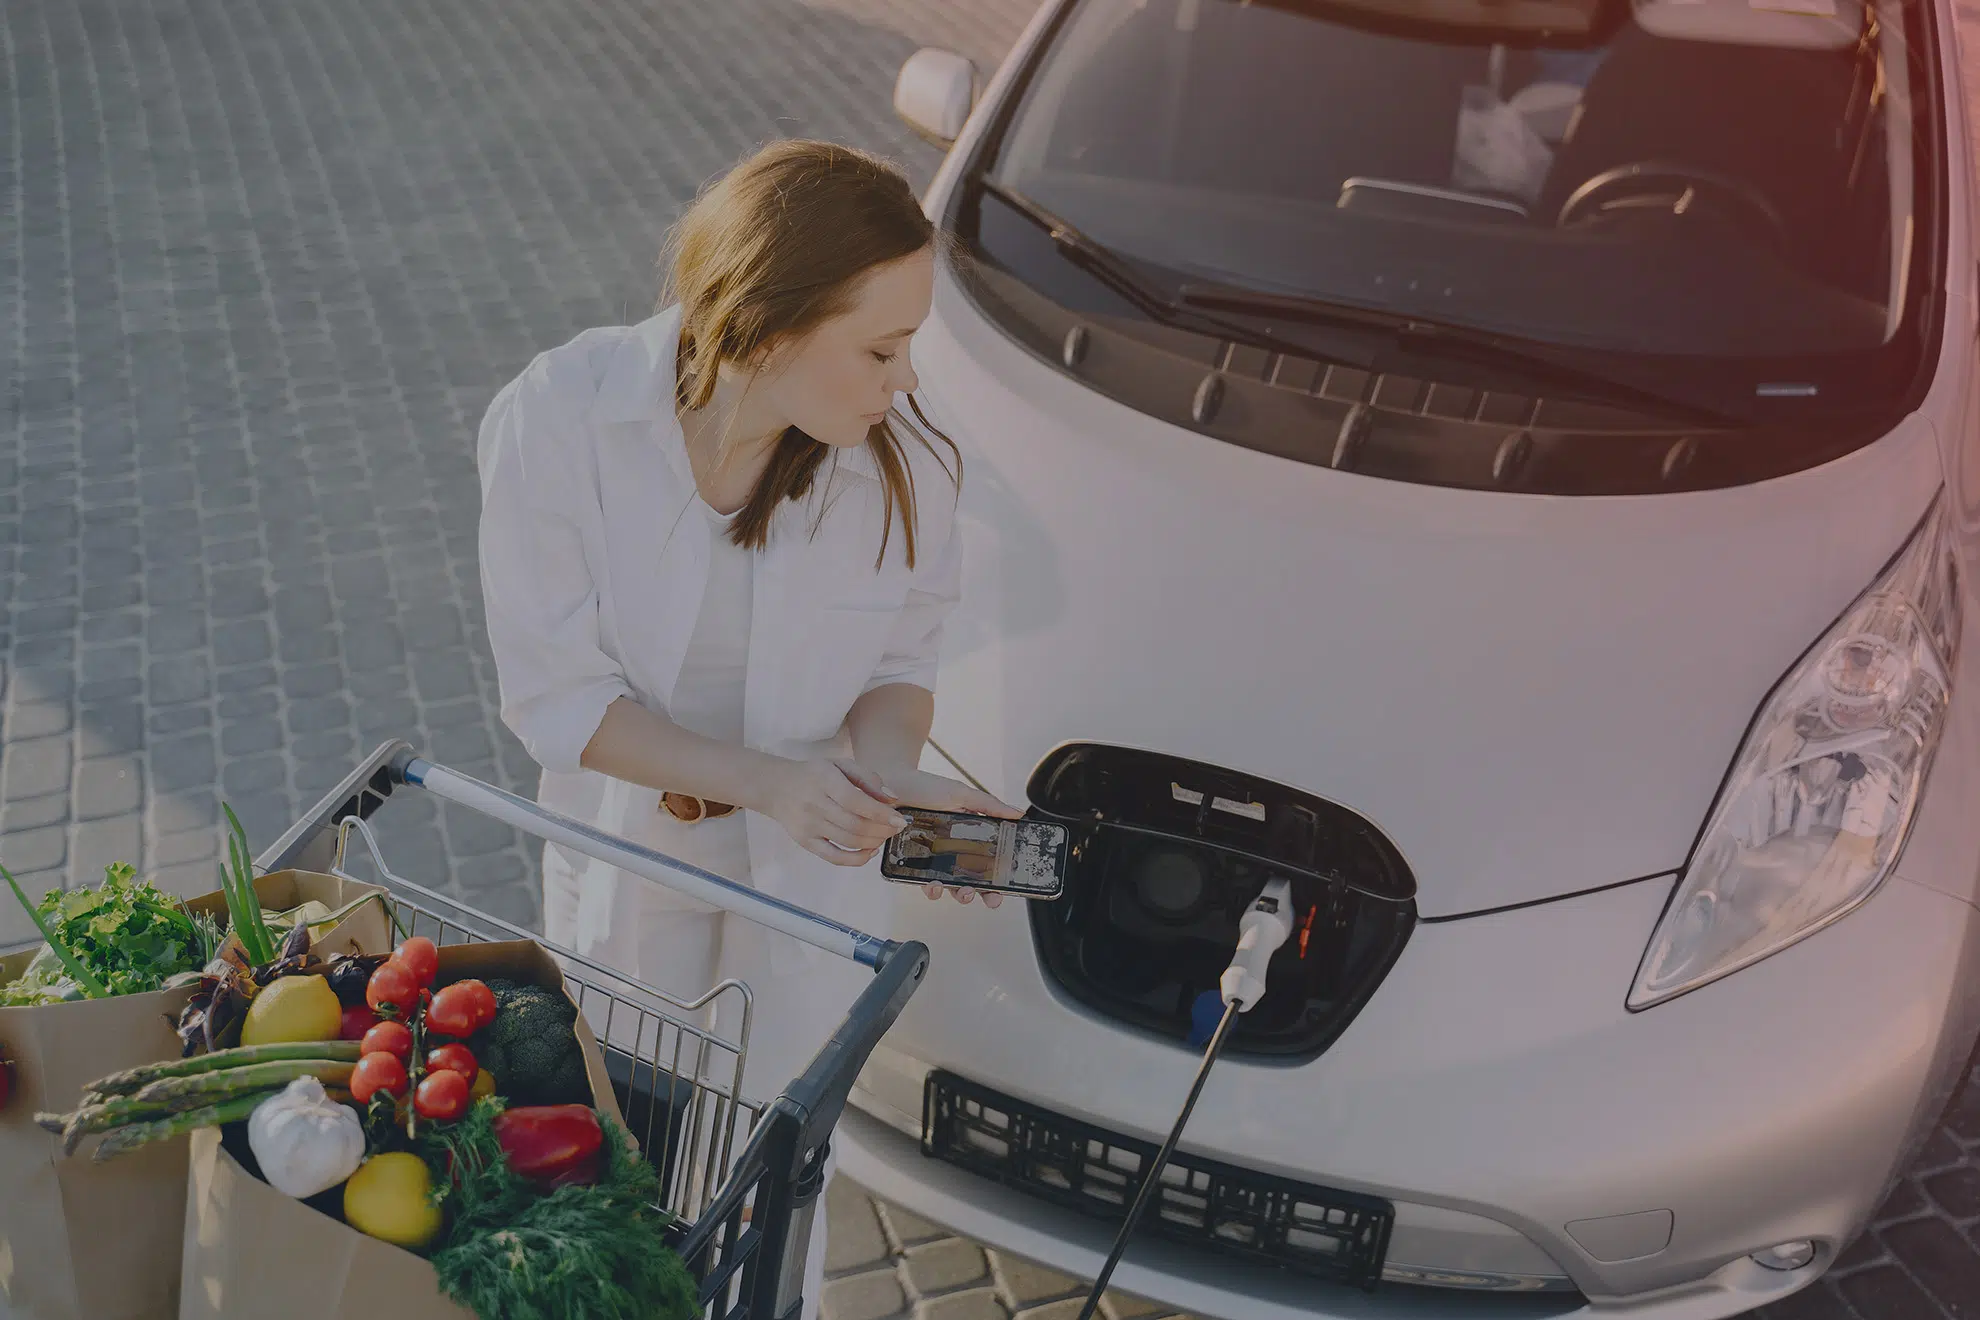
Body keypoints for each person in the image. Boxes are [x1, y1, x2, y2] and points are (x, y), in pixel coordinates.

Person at [475, 138, 1021, 1316]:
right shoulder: (561, 418)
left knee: (778, 1175)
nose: (906, 380)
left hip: (809, 869)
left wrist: (888, 783)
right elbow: (557, 699)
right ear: (768, 331)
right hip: (633, 848)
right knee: (620, 1146)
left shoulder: (908, 462)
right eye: (882, 347)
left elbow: (899, 663)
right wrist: (768, 782)